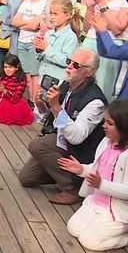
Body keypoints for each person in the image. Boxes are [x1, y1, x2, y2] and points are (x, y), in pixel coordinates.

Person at [19, 48, 106, 205]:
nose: (69, 66)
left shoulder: (95, 101)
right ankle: (63, 173)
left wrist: (56, 106)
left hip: (82, 152)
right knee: (27, 178)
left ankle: (74, 187)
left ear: (89, 72)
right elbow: (49, 118)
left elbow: (77, 138)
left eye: (76, 65)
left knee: (38, 146)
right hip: (62, 140)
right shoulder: (67, 85)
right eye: (69, 62)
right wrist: (41, 105)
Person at [58, 99, 128, 251]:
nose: (104, 126)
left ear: (124, 127)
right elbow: (97, 170)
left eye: (110, 124)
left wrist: (102, 185)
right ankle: (101, 226)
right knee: (73, 228)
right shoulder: (106, 142)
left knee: (90, 241)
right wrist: (81, 169)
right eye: (105, 122)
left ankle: (124, 237)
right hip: (97, 202)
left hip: (117, 210)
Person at [82, 0, 128, 101]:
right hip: (90, 41)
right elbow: (86, 27)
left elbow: (118, 28)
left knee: (102, 92)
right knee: (79, 87)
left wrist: (102, 4)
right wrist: (89, 6)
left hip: (110, 45)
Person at [12, 0, 47, 103]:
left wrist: (24, 22)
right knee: (26, 75)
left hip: (34, 42)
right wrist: (29, 22)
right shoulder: (26, 2)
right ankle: (29, 101)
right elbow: (14, 21)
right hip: (22, 40)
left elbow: (34, 26)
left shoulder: (44, 3)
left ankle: (35, 102)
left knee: (34, 75)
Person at [0, 53, 33, 125]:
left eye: (10, 67)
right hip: (1, 101)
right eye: (5, 67)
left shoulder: (20, 80)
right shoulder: (3, 77)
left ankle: (6, 119)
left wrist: (5, 91)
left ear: (17, 68)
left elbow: (15, 99)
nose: (7, 69)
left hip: (14, 103)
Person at [91, 13, 128, 100]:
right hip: (121, 93)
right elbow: (104, 52)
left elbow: (113, 51)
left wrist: (103, 31)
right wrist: (99, 32)